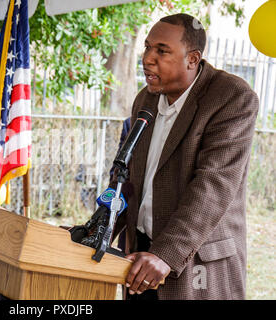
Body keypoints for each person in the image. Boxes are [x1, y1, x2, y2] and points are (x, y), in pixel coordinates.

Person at [108, 13, 259, 300]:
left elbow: (213, 186)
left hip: (195, 261)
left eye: (162, 51)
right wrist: (99, 228)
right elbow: (124, 175)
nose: (148, 59)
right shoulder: (146, 98)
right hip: (138, 257)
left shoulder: (232, 97)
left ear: (193, 59)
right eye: (147, 47)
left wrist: (165, 255)